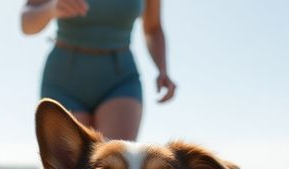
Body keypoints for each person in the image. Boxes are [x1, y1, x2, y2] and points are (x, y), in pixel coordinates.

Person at [21, 0, 175, 141]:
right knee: (70, 168)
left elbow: (153, 28)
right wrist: (51, 9)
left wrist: (162, 69)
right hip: (64, 79)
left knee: (115, 164)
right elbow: (26, 23)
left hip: (120, 78)